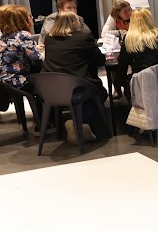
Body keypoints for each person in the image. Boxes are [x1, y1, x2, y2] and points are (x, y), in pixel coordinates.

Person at [40, 10, 111, 143]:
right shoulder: (83, 37)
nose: (80, 23)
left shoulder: (49, 39)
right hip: (78, 86)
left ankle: (78, 125)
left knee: (85, 92)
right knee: (100, 93)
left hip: (53, 89)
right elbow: (99, 60)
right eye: (78, 21)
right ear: (73, 23)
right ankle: (79, 122)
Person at [0, 4, 43, 92]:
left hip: (0, 83)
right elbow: (37, 60)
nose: (32, 18)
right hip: (16, 84)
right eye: (28, 16)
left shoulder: (5, 35)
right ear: (22, 20)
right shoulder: (23, 35)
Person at [118, 7, 158, 74]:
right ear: (150, 20)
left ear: (132, 22)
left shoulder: (129, 39)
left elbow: (123, 64)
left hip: (143, 79)